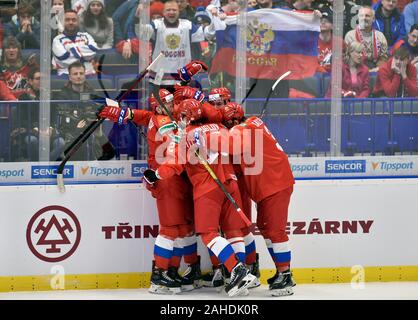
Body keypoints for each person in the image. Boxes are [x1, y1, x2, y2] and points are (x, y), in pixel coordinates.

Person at [143, 98, 257, 297]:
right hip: (230, 183)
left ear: (186, 117)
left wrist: (156, 175)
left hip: (208, 188)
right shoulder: (218, 125)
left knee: (208, 234)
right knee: (233, 230)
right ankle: (237, 277)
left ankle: (237, 270)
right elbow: (235, 146)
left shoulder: (184, 135)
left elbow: (174, 165)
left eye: (181, 116)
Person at [216, 101, 296, 296]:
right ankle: (281, 272)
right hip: (270, 185)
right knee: (267, 228)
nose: (226, 128)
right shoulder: (252, 123)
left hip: (274, 185)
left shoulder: (241, 129)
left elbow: (232, 147)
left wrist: (203, 138)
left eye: (226, 124)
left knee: (275, 231)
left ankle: (285, 276)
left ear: (233, 121)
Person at [138, 0, 216, 89]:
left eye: (174, 10)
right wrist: (142, 15)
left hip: (182, 80)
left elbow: (207, 34)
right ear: (163, 12)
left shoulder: (188, 25)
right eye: (168, 10)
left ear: (179, 11)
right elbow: (142, 34)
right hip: (158, 80)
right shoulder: (156, 25)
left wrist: (214, 18)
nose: (171, 12)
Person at [52, 61, 113, 161]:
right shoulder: (62, 94)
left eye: (81, 73)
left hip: (89, 126)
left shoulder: (92, 92)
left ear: (85, 75)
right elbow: (62, 113)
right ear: (70, 77)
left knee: (99, 135)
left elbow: (97, 110)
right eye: (75, 74)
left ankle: (103, 166)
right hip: (69, 130)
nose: (78, 76)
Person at [12, 69, 64, 161]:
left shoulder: (52, 96)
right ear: (30, 81)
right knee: (32, 140)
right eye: (38, 79)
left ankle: (45, 165)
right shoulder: (24, 98)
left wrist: (51, 127)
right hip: (31, 130)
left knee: (61, 143)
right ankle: (37, 165)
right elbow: (22, 119)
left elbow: (55, 115)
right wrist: (36, 128)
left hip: (49, 130)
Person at [52, 10, 98, 76]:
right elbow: (63, 58)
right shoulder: (57, 40)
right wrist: (83, 57)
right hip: (65, 74)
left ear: (78, 22)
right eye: (67, 20)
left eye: (74, 20)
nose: (71, 22)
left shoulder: (86, 36)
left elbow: (93, 50)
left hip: (88, 73)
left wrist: (70, 50)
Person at [345, 6, 389, 72]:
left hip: (376, 70)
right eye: (361, 16)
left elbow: (383, 58)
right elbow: (348, 59)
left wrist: (376, 69)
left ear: (373, 19)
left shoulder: (380, 36)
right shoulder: (350, 36)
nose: (364, 18)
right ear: (358, 18)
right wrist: (365, 71)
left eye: (367, 16)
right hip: (357, 71)